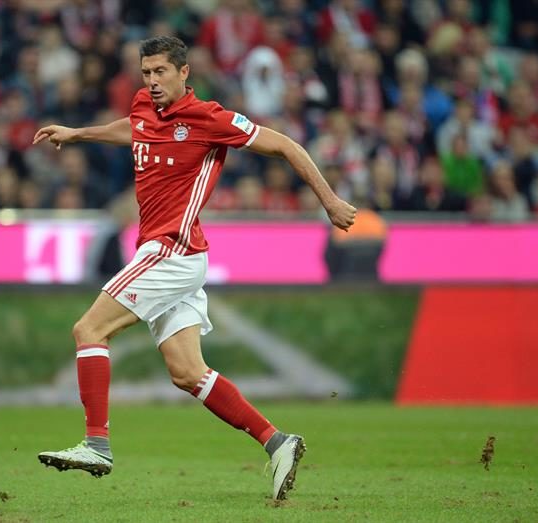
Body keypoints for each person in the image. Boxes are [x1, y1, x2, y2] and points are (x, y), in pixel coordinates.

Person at [32, 36, 356, 501]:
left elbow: (284, 145)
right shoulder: (145, 105)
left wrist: (329, 201)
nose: (152, 81)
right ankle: (277, 441)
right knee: (187, 372)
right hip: (175, 254)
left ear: (184, 72)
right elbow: (134, 128)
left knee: (89, 330)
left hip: (171, 250)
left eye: (161, 71)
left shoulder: (210, 119)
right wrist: (78, 133)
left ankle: (96, 443)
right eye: (146, 72)